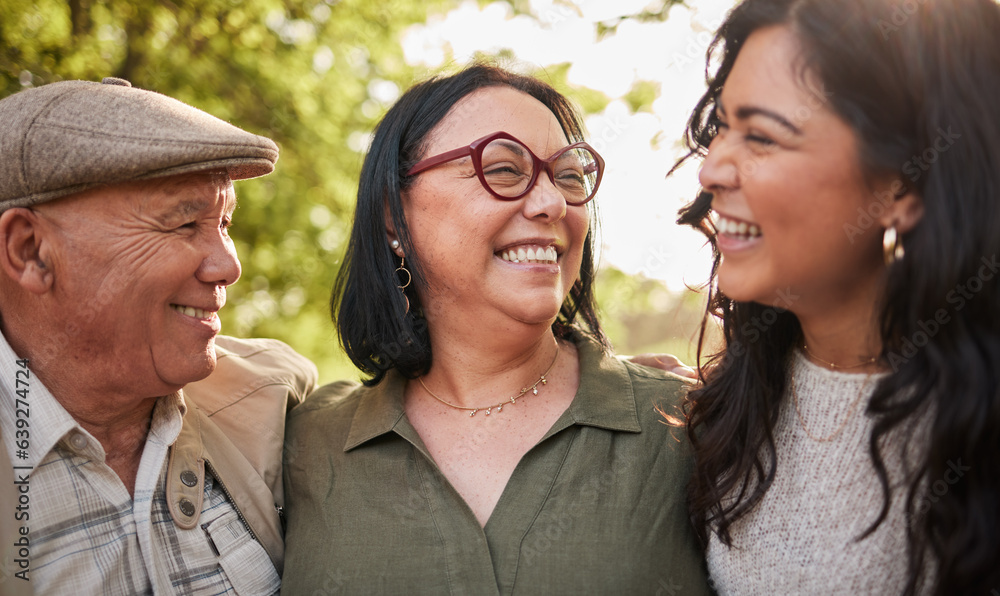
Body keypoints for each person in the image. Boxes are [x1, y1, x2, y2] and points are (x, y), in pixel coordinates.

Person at [282, 64, 711, 594]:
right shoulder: (300, 444)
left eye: (569, 176)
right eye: (504, 170)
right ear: (394, 215)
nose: (552, 201)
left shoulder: (692, 427)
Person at [670, 0, 1000, 593]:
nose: (712, 168)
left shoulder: (975, 426)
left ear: (904, 181)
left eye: (763, 136)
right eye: (722, 125)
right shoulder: (726, 405)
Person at [0, 77, 317, 595]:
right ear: (31, 250)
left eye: (226, 223)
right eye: (183, 223)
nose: (228, 266)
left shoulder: (273, 401)